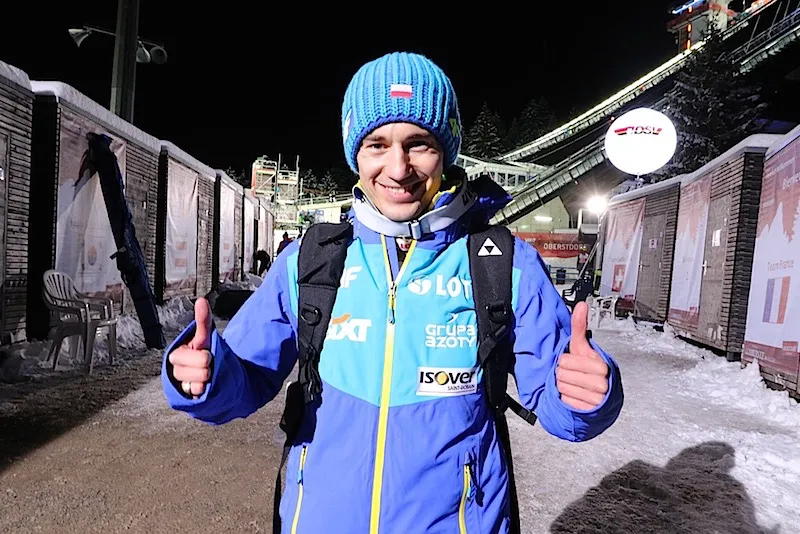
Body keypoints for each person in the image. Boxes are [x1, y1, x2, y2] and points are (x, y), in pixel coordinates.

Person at [162, 51, 624, 533]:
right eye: (377, 145)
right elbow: (245, 376)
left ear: (445, 151)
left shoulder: (503, 264)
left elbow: (558, 400)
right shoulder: (311, 260)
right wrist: (206, 376)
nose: (398, 168)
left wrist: (585, 396)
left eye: (419, 144)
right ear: (356, 154)